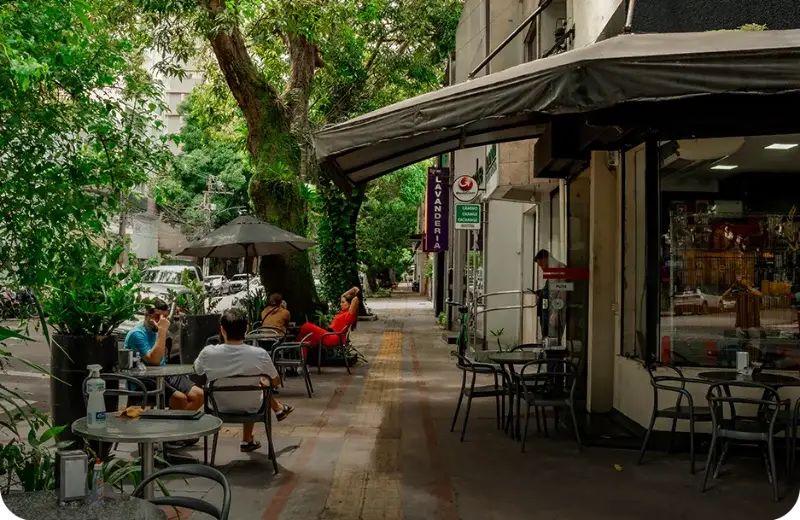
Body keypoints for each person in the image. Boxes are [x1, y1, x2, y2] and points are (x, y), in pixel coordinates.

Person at [194, 308, 294, 452]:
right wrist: (265, 382)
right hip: (252, 407)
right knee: (259, 386)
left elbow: (197, 370)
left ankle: (249, 438)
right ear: (246, 329)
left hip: (218, 406)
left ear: (222, 330)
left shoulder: (208, 352)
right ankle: (250, 437)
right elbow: (276, 380)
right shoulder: (259, 354)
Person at [124, 300, 205, 413]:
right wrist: (162, 330)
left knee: (199, 395)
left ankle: (177, 425)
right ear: (147, 315)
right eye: (157, 316)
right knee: (180, 399)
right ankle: (174, 425)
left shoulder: (157, 330)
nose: (161, 321)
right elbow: (154, 360)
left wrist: (161, 330)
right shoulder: (137, 334)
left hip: (163, 374)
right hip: (144, 380)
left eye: (165, 317)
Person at [297, 287, 359, 358]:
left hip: (333, 337)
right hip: (330, 334)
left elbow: (355, 300)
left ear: (350, 304)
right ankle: (302, 363)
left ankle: (294, 345)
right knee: (304, 340)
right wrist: (352, 290)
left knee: (306, 325)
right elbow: (343, 295)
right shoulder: (344, 312)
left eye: (343, 302)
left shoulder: (349, 314)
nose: (340, 304)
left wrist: (356, 291)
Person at [534, 249, 566, 341]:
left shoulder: (559, 268)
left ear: (545, 259)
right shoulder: (552, 272)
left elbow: (562, 292)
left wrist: (555, 312)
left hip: (555, 312)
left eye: (541, 265)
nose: (542, 269)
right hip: (549, 312)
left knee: (554, 340)